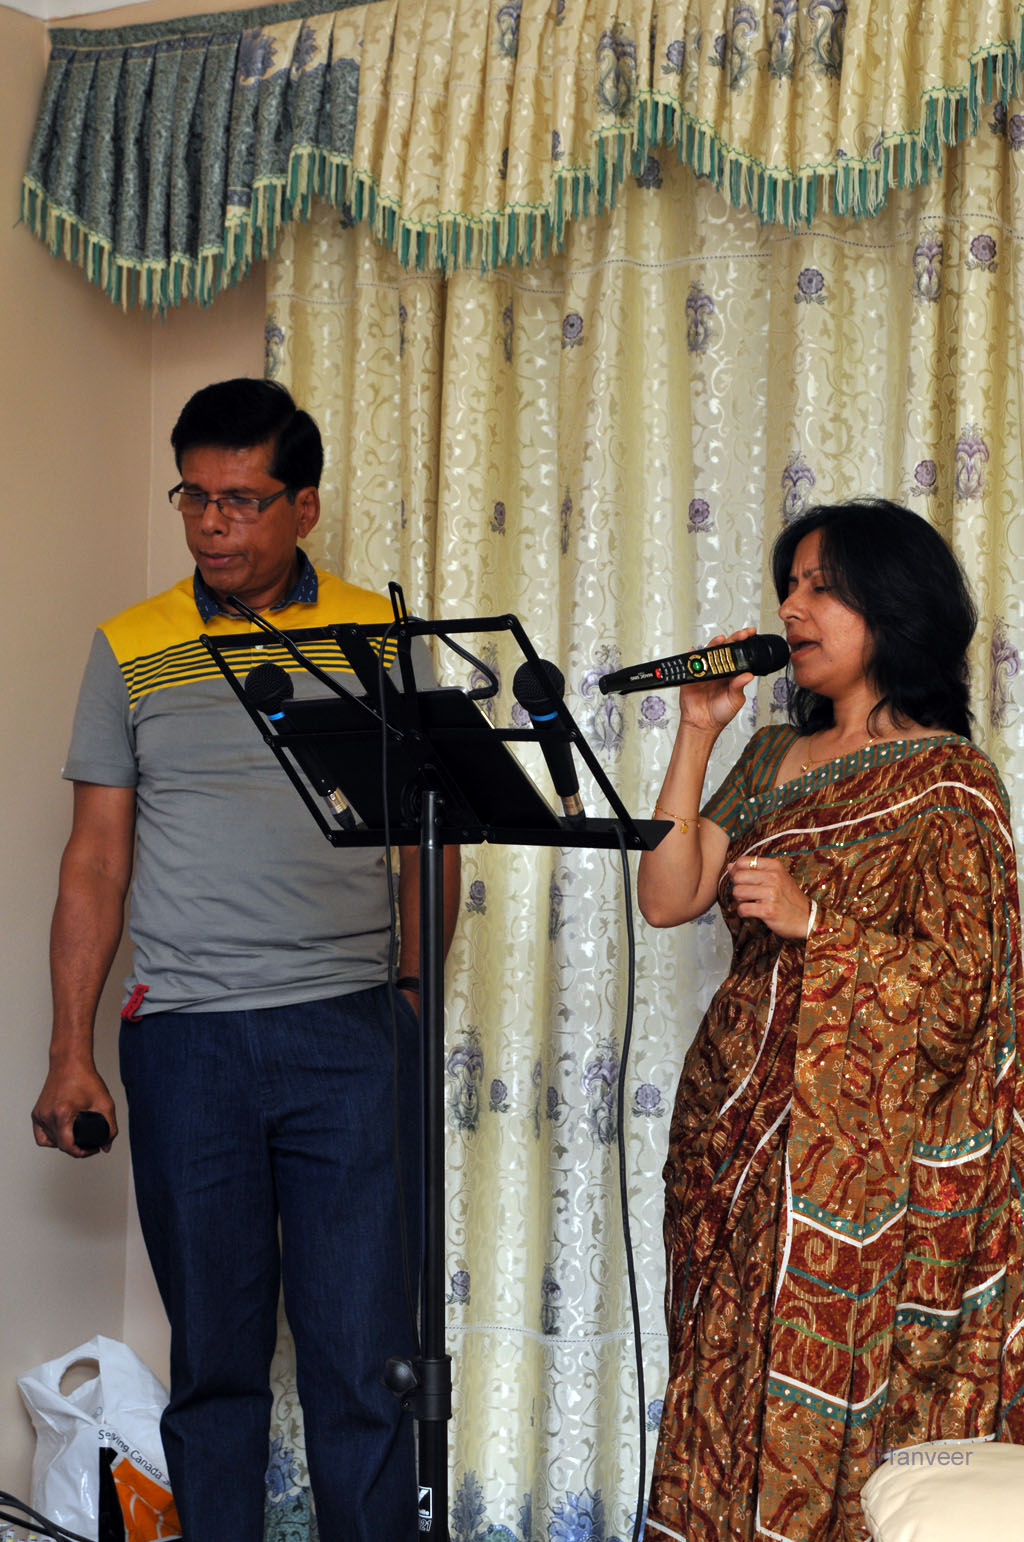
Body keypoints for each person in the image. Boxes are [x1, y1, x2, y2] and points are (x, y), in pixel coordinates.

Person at [31, 378, 460, 1542]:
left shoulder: (381, 635)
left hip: (348, 1034)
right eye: (194, 497)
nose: (212, 524)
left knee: (362, 1363)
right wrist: (71, 1049)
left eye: (241, 500)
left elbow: (432, 838)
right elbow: (94, 859)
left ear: (303, 507)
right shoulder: (132, 646)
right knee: (215, 1364)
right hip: (187, 1043)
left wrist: (408, 999)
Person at [638, 499, 1024, 1542]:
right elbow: (668, 896)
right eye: (789, 586)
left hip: (855, 1163)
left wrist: (819, 925)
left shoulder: (952, 785)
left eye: (820, 587)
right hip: (734, 1136)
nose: (789, 608)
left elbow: (971, 993)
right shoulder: (772, 754)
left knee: (819, 1411)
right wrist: (698, 729)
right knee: (719, 1387)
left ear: (890, 609)